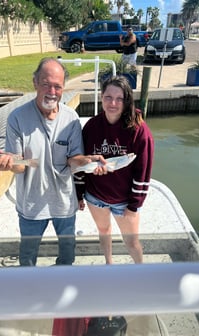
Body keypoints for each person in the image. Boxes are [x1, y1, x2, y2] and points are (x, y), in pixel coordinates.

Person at [0, 57, 103, 266]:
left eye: (57, 86)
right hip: (31, 205)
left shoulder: (71, 118)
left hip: (65, 203)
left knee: (68, 255)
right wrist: (6, 163)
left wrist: (88, 161)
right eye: (46, 84)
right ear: (35, 82)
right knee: (27, 257)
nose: (52, 91)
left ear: (63, 88)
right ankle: (31, 288)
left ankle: (60, 283)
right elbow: (19, 165)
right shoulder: (16, 118)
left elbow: (73, 161)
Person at [75, 76, 154, 264]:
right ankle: (109, 264)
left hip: (124, 201)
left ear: (127, 101)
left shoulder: (139, 130)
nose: (113, 103)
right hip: (95, 196)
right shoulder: (91, 127)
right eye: (108, 97)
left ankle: (140, 270)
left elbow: (143, 171)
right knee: (103, 231)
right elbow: (81, 162)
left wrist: (134, 205)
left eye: (119, 98)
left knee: (132, 241)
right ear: (101, 97)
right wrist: (79, 193)